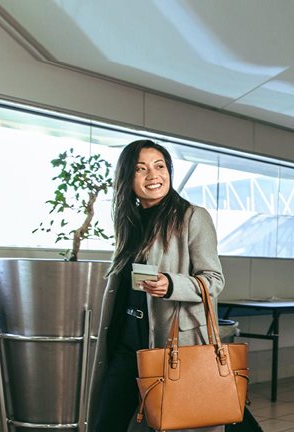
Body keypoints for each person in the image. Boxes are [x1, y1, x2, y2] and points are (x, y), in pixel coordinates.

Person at [88, 139, 225, 431]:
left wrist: (172, 284)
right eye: (141, 169)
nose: (153, 175)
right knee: (105, 421)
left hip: (171, 343)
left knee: (171, 422)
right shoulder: (129, 221)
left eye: (160, 166)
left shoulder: (192, 217)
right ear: (128, 178)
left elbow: (214, 280)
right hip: (127, 342)